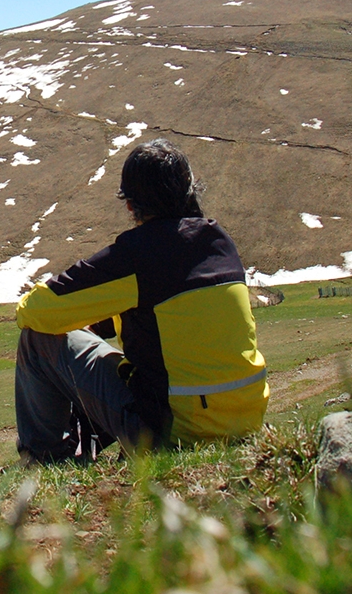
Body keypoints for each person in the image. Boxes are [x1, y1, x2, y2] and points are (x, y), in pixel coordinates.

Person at [14, 138, 268, 462]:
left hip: (176, 434)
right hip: (245, 423)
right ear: (190, 190)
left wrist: (69, 318)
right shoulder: (221, 243)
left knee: (36, 340)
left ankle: (43, 459)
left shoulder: (138, 253)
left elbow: (39, 311)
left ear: (131, 205)